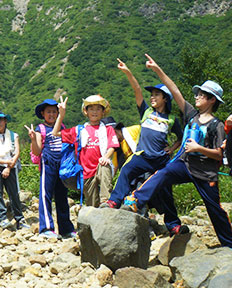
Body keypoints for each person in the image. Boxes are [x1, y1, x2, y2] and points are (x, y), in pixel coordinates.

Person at [122, 55, 232, 247]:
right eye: (197, 94)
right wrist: (157, 69)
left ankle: (229, 244)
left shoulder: (217, 125)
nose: (196, 96)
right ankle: (136, 200)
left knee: (214, 209)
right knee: (162, 174)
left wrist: (198, 148)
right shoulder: (191, 114)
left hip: (206, 173)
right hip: (186, 165)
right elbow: (174, 89)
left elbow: (219, 154)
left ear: (212, 100)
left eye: (201, 94)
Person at [101, 59, 183, 209]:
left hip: (160, 159)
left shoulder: (171, 119)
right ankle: (114, 201)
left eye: (156, 94)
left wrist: (172, 149)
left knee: (165, 188)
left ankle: (173, 225)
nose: (152, 97)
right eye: (152, 94)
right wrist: (128, 72)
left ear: (165, 98)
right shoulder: (146, 111)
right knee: (126, 170)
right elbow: (137, 90)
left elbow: (181, 137)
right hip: (143, 156)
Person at [53, 95, 120, 207]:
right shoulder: (79, 130)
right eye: (91, 109)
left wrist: (106, 157)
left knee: (104, 166)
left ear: (103, 112)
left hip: (101, 166)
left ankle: (106, 201)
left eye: (98, 109)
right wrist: (61, 115)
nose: (95, 112)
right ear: (86, 111)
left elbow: (112, 146)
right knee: (91, 204)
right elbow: (55, 133)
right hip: (86, 172)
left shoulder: (108, 129)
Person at [26, 99, 75, 238]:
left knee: (62, 196)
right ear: (43, 113)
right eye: (49, 112)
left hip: (62, 165)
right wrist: (33, 139)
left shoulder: (62, 126)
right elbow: (37, 151)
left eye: (54, 111)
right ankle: (46, 228)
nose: (52, 114)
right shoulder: (40, 129)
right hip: (48, 164)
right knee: (45, 195)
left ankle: (66, 229)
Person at [0, 111, 30, 230]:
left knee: (14, 192)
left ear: (5, 121)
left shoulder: (13, 135)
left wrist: (8, 167)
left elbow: (17, 153)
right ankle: (2, 218)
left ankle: (19, 218)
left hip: (11, 165)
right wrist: (6, 164)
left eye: (1, 120)